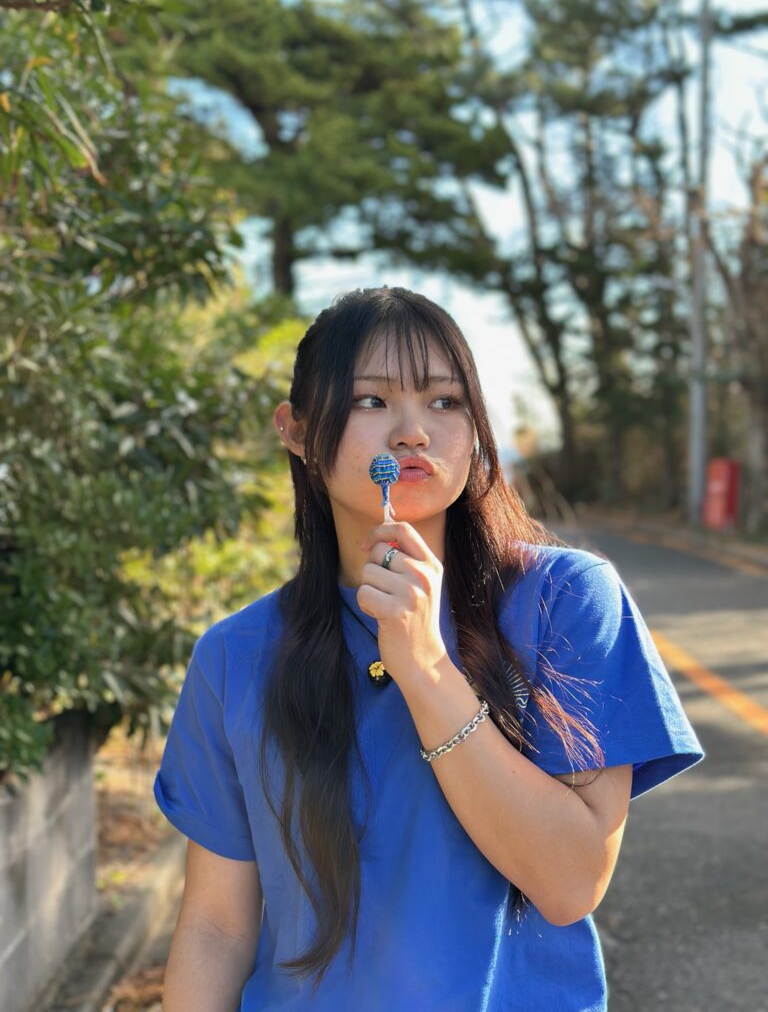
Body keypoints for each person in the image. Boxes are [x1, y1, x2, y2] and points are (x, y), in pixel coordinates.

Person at [154, 286, 704, 1012]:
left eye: (446, 401)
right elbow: (217, 926)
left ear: (475, 429)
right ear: (297, 431)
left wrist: (424, 666)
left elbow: (571, 882)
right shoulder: (235, 656)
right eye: (371, 400)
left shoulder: (565, 600)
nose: (413, 432)